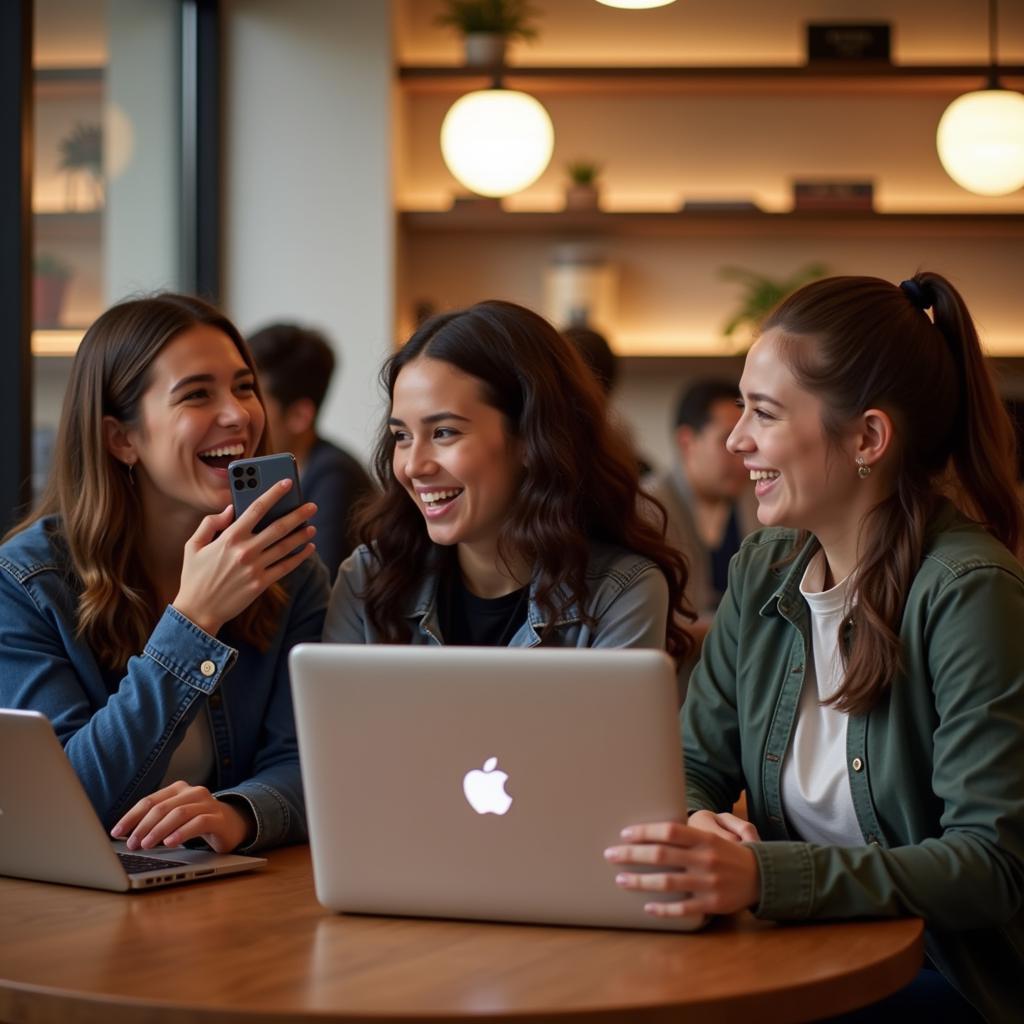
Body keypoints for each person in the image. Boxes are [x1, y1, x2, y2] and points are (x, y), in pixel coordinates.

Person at [604, 273, 1024, 1022]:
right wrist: (699, 820)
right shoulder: (765, 568)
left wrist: (764, 877)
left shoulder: (968, 591)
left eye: (763, 414)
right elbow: (693, 764)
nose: (737, 442)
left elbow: (990, 864)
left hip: (947, 979)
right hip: (796, 953)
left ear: (867, 437)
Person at [0, 294, 328, 855]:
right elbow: (60, 803)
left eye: (245, 387)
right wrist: (194, 621)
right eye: (197, 394)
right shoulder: (29, 581)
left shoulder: (287, 570)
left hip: (225, 895)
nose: (238, 415)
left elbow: (309, 760)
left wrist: (239, 813)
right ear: (121, 439)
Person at [324, 300, 693, 657]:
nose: (413, 466)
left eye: (444, 433)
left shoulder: (620, 592)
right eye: (402, 436)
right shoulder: (367, 580)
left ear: (531, 440)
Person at [247, 322, 374, 581]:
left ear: (299, 415)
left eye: (253, 397)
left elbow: (322, 587)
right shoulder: (275, 472)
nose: (239, 414)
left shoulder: (336, 477)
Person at [643, 378, 757, 639]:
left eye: (746, 441)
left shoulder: (758, 501)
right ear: (686, 442)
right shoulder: (648, 509)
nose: (743, 456)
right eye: (726, 441)